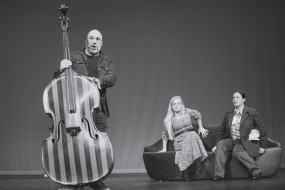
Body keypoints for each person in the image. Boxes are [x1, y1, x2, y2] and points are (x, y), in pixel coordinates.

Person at [54, 29, 115, 190]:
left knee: (98, 146)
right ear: (86, 41)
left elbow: (112, 78)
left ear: (101, 43)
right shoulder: (74, 57)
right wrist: (60, 69)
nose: (94, 41)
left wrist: (99, 81)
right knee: (75, 146)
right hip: (78, 110)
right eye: (91, 38)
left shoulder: (106, 60)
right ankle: (73, 181)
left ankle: (96, 180)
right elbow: (59, 81)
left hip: (98, 107)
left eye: (98, 39)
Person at [212, 90, 268, 181]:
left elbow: (262, 129)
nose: (234, 99)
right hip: (231, 139)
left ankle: (256, 171)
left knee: (236, 151)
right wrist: (217, 144)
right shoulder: (229, 113)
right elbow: (221, 130)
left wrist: (263, 146)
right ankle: (219, 174)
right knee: (221, 144)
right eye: (233, 97)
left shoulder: (251, 112)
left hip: (244, 141)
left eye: (237, 97)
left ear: (243, 99)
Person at [158, 96, 209, 181]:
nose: (176, 105)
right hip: (179, 140)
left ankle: (185, 172)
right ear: (171, 106)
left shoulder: (187, 111)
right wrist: (164, 148)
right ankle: (197, 160)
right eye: (174, 104)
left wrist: (201, 127)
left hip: (191, 137)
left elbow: (197, 114)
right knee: (192, 135)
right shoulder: (168, 119)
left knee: (192, 134)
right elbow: (165, 134)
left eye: (179, 103)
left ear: (182, 105)